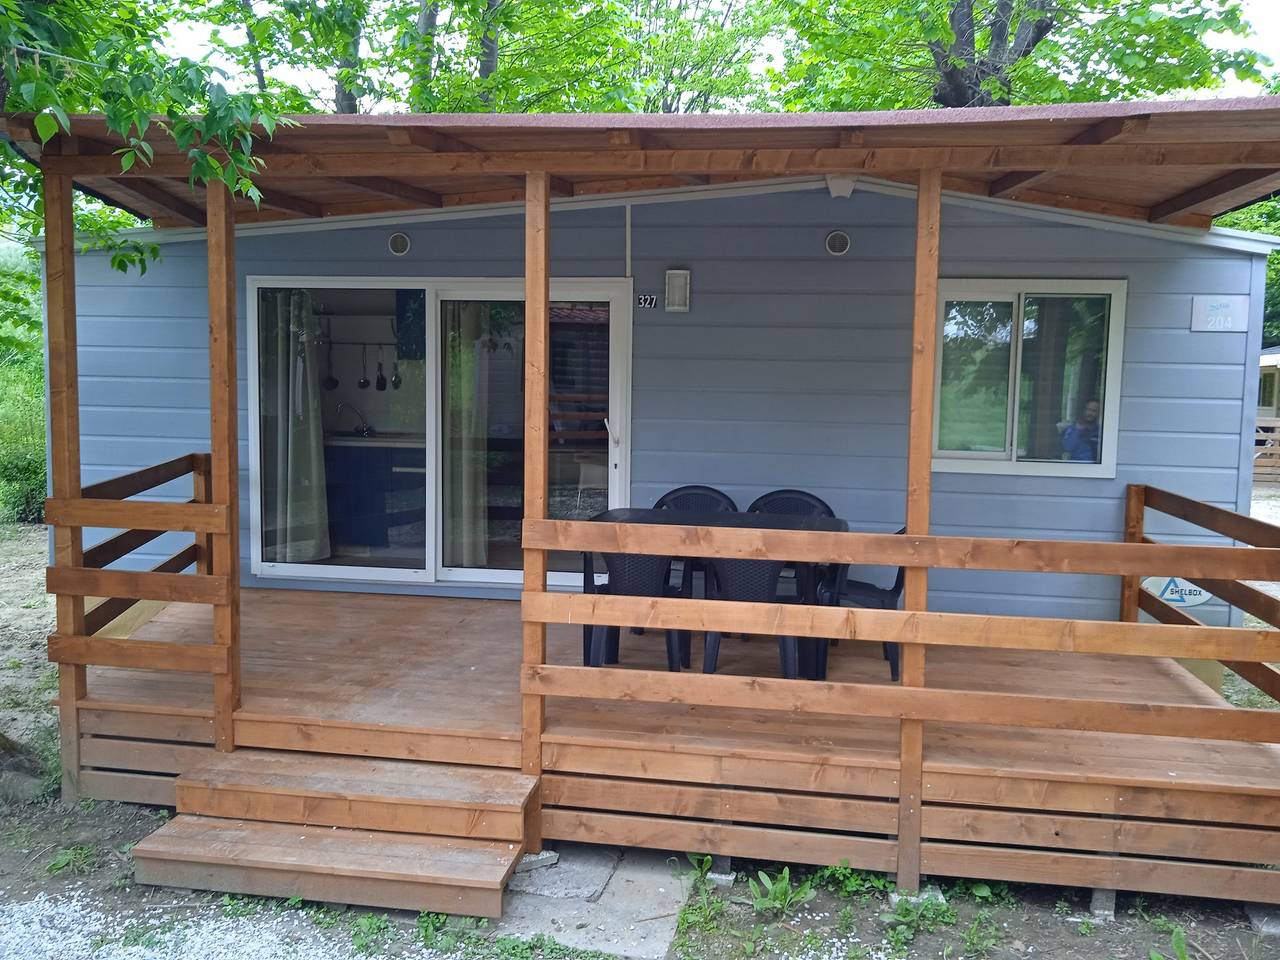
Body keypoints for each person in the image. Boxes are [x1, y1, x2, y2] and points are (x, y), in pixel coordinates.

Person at [1061, 398, 1101, 462]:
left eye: (1094, 411)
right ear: (1084, 410)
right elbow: (1067, 447)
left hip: (1096, 468)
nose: (1090, 413)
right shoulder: (1072, 428)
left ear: (1099, 413)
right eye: (1088, 410)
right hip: (1076, 467)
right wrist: (1078, 430)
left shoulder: (1100, 431)